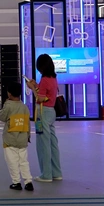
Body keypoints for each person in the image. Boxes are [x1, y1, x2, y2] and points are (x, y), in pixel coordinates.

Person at [26, 54, 61, 183]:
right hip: (51, 111)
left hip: (43, 112)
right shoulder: (53, 78)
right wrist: (36, 86)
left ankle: (46, 174)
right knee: (52, 143)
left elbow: (39, 98)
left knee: (43, 143)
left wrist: (32, 88)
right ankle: (56, 172)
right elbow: (45, 94)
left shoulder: (45, 79)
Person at [0, 83, 33, 191]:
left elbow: (2, 117)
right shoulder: (24, 107)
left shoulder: (8, 105)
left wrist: (5, 105)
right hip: (22, 139)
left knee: (12, 161)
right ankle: (28, 182)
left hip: (10, 139)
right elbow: (27, 123)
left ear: (9, 94)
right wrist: (28, 136)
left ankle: (16, 182)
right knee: (24, 161)